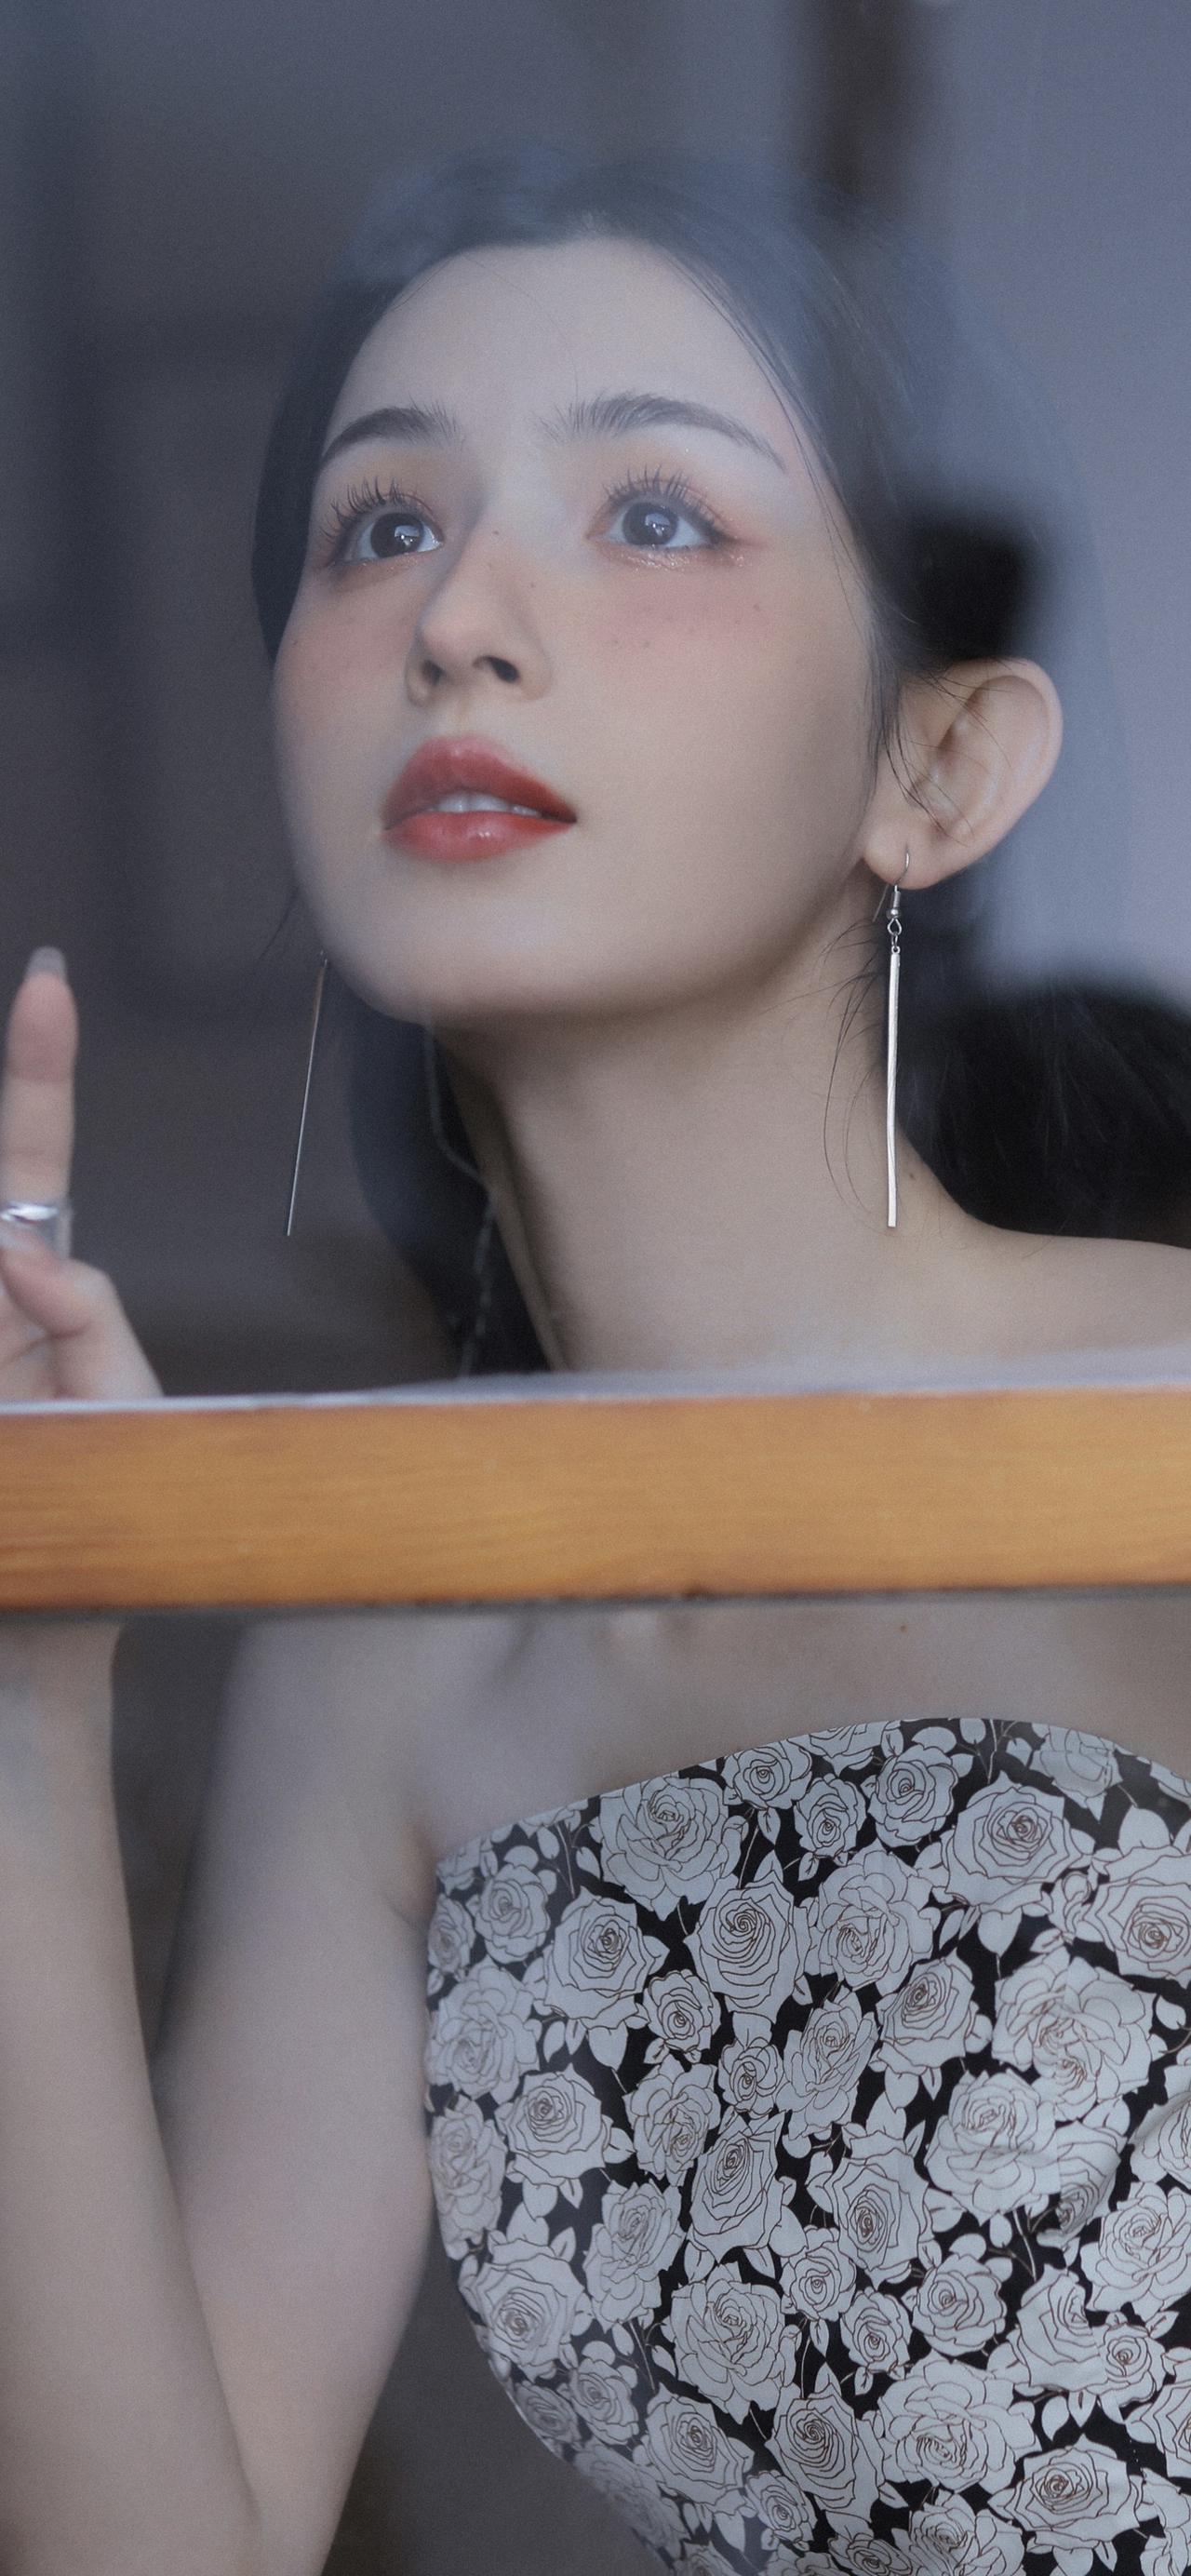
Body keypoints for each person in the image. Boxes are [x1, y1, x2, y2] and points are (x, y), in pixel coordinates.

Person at [3, 146, 1191, 2576]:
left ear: (937, 768)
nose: (459, 621)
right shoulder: (385, 1652)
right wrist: (25, 1717)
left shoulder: (1152, 1440)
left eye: (653, 513)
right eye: (379, 530)